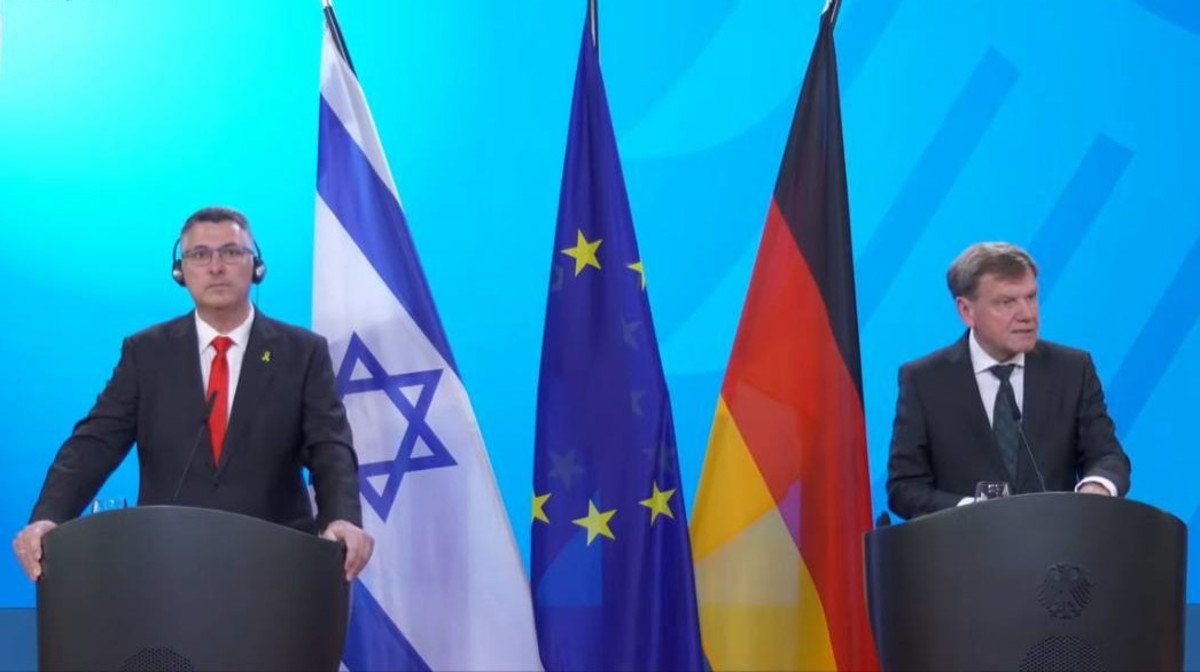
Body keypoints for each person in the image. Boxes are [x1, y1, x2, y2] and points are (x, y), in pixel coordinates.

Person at [12, 207, 373, 580]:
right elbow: (95, 443)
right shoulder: (147, 352)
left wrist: (341, 518)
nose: (216, 267)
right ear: (180, 271)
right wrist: (49, 516)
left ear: (256, 266)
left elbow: (330, 448)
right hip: (169, 566)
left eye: (231, 252)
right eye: (200, 255)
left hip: (277, 565)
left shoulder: (301, 352)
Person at [886, 241, 1131, 518]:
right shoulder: (924, 380)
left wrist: (1096, 489)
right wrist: (971, 511)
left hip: (1057, 540)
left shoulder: (1072, 369)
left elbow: (1107, 456)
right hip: (966, 543)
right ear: (966, 311)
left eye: (1031, 297)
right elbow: (905, 488)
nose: (1027, 315)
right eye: (1007, 302)